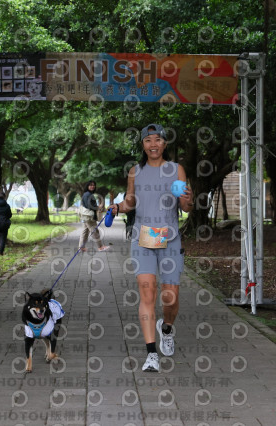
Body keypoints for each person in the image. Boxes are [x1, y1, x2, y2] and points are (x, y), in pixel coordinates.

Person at [108, 123, 193, 372]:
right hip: (142, 237)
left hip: (170, 237)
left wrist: (188, 201)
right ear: (143, 145)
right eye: (148, 140)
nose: (153, 144)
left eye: (157, 140)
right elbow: (130, 201)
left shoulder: (176, 170)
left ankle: (166, 328)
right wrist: (118, 207)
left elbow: (185, 207)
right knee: (147, 294)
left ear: (164, 144)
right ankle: (151, 354)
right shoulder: (135, 171)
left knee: (170, 297)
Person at [78, 181, 109, 252]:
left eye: (94, 185)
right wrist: (98, 207)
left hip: (86, 216)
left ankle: (81, 247)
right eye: (90, 185)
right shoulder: (87, 195)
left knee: (85, 232)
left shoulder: (87, 194)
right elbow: (89, 205)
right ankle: (100, 247)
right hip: (89, 217)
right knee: (95, 231)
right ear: (87, 186)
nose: (92, 186)